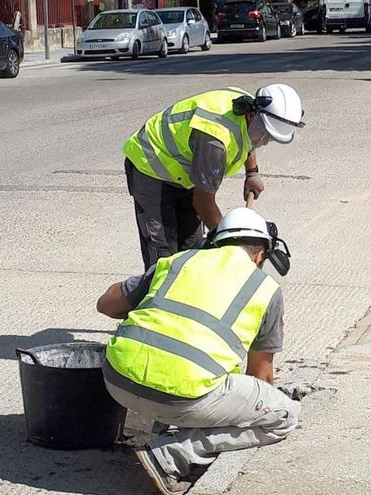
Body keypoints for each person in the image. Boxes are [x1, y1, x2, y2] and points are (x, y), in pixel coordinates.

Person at [97, 207, 299, 495]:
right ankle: (172, 455)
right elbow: (260, 378)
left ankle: (166, 429)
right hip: (180, 398)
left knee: (176, 362)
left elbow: (106, 305)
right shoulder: (265, 289)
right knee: (283, 414)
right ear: (259, 254)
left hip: (115, 380)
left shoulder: (178, 262)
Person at [123, 84, 305, 269]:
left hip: (184, 173)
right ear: (252, 115)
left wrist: (252, 173)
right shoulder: (215, 140)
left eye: (272, 137)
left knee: (192, 252)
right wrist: (233, 243)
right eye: (265, 133)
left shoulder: (249, 109)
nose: (265, 141)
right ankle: (156, 295)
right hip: (151, 165)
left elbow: (247, 141)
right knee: (162, 258)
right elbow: (203, 202)